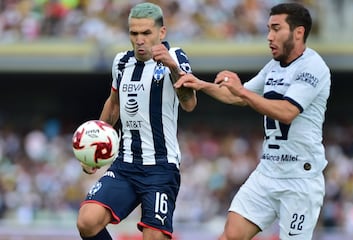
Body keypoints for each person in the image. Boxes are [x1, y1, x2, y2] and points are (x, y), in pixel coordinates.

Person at [174, 3, 330, 240]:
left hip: (300, 181)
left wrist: (242, 91)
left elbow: (287, 111)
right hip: (267, 173)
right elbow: (236, 96)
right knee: (229, 236)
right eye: (268, 29)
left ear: (298, 32)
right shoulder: (273, 67)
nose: (269, 36)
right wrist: (202, 84)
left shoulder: (313, 67)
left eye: (276, 29)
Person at [76, 2, 197, 240]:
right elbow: (114, 104)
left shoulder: (176, 57)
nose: (139, 39)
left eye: (146, 33)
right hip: (125, 165)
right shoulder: (121, 62)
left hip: (161, 168)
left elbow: (189, 103)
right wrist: (95, 149)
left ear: (161, 33)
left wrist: (173, 68)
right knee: (87, 221)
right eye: (134, 33)